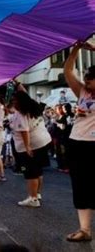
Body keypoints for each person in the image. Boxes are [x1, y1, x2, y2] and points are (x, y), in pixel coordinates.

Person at [63, 41, 95, 242]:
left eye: (91, 79)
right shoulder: (83, 92)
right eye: (86, 79)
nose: (87, 82)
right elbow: (68, 71)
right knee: (80, 186)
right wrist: (76, 49)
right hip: (77, 143)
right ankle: (85, 230)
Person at [10, 89, 51, 208]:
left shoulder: (21, 113)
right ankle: (37, 194)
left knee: (31, 173)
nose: (13, 103)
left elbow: (24, 131)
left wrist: (27, 147)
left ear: (20, 102)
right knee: (38, 171)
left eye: (15, 101)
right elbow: (25, 94)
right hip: (43, 142)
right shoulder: (33, 107)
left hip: (31, 146)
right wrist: (17, 84)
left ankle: (33, 199)